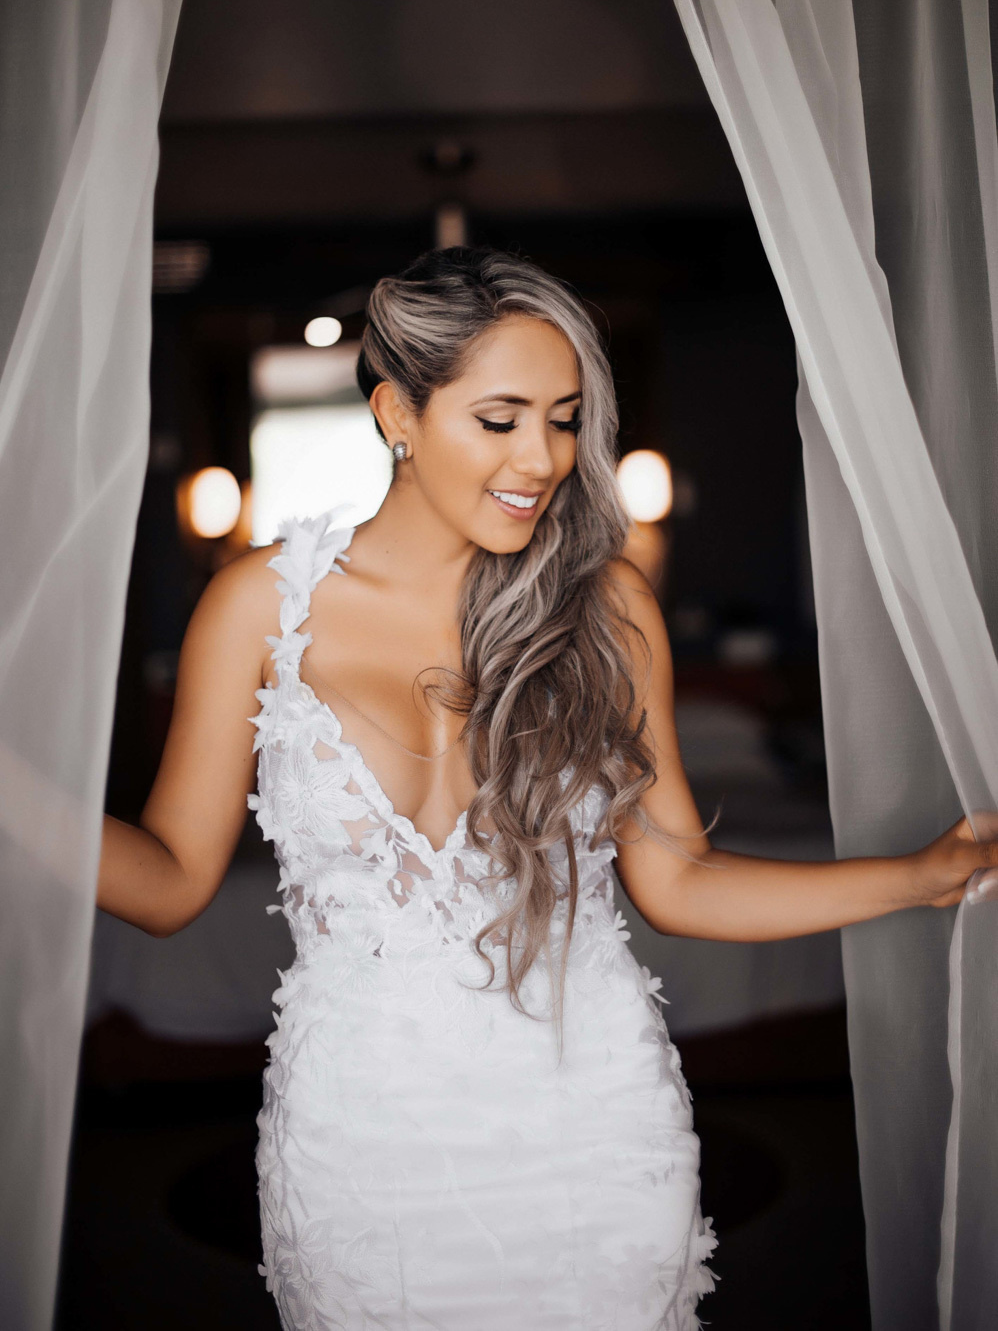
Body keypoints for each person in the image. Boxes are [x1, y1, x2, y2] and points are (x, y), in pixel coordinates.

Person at [97, 246, 997, 1331]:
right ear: (396, 414)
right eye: (501, 419)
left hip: (593, 1129)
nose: (543, 458)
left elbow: (680, 883)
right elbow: (168, 883)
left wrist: (921, 876)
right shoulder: (260, 608)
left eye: (565, 420)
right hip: (360, 1144)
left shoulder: (606, 607)